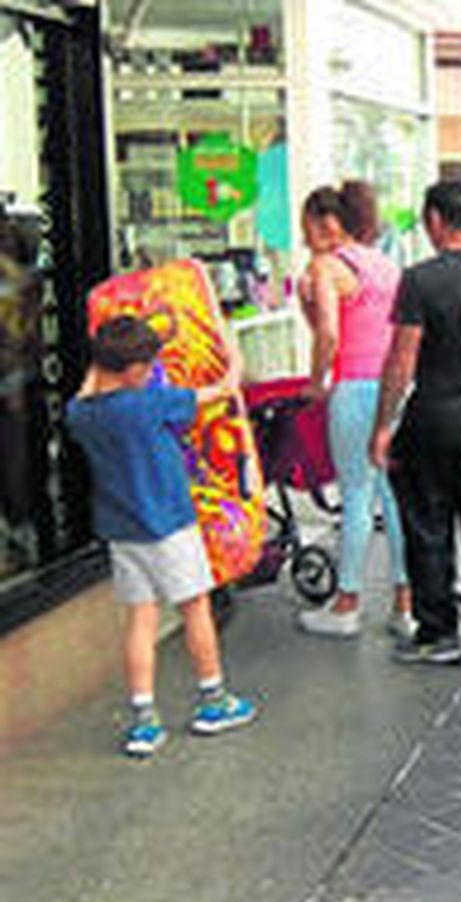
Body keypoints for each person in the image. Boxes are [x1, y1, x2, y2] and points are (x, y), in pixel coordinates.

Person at [65, 316, 258, 757]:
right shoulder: (150, 403)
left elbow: (86, 388)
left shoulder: (81, 414)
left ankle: (144, 721)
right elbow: (224, 387)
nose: (153, 371)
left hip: (123, 531)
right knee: (195, 610)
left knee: (141, 619)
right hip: (170, 525)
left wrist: (99, 366)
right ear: (134, 368)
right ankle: (214, 701)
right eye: (149, 365)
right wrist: (230, 344)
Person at [370, 181, 461, 671]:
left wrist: (383, 424)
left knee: (428, 528)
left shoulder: (419, 279)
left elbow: (402, 360)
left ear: (435, 219)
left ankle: (437, 633)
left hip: (432, 422)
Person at [294, 182, 413, 639]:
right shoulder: (385, 264)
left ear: (327, 224)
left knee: (357, 495)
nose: (306, 240)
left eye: (307, 228)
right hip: (396, 386)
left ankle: (347, 603)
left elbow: (327, 333)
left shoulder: (326, 265)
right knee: (394, 496)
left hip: (354, 388)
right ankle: (405, 603)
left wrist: (315, 381)